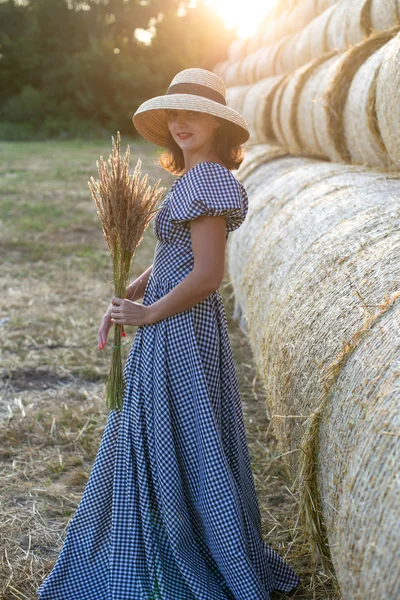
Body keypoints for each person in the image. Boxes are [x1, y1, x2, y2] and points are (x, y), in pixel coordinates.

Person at [37, 67, 301, 599]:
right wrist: (138, 286)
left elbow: (208, 275)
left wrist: (150, 314)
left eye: (193, 113)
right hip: (172, 322)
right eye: (174, 114)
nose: (181, 123)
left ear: (217, 123)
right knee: (177, 432)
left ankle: (182, 545)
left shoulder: (207, 183)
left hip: (180, 329)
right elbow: (179, 258)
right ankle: (181, 531)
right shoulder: (193, 180)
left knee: (176, 431)